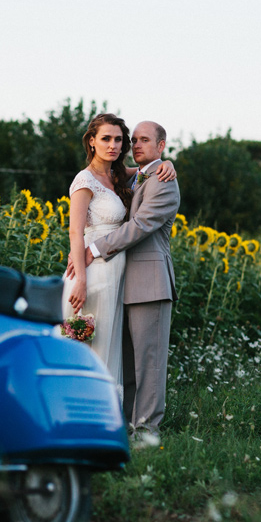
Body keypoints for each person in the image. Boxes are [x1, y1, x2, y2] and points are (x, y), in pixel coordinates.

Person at [74, 120, 180, 435]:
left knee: (149, 365)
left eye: (144, 140)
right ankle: (120, 426)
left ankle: (147, 433)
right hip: (116, 281)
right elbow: (113, 176)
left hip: (150, 283)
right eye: (132, 140)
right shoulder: (135, 178)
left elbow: (141, 225)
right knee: (125, 364)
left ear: (161, 146)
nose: (135, 145)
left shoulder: (163, 181)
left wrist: (94, 248)